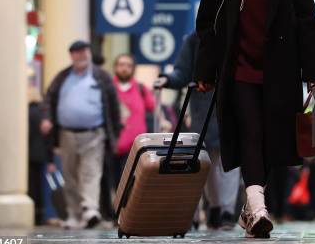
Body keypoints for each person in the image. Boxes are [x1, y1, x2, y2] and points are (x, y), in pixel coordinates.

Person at [194, 0, 315, 238]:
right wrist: (205, 71)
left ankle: (249, 210)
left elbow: (307, 19)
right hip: (238, 68)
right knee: (250, 130)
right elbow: (208, 22)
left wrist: (314, 73)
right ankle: (259, 205)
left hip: (280, 70)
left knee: (270, 138)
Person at [155, 31, 240, 230]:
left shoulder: (237, 36)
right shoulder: (194, 39)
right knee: (208, 163)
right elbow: (182, 72)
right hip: (204, 111)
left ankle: (226, 210)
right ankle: (216, 207)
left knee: (230, 162)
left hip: (233, 107)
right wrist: (167, 79)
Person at [42, 40, 121, 229]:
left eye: (84, 51)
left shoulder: (101, 77)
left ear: (89, 53)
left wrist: (114, 134)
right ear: (71, 56)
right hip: (67, 133)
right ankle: (74, 213)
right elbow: (49, 98)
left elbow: (113, 106)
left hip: (94, 133)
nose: (81, 55)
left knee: (91, 171)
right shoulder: (62, 77)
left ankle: (90, 209)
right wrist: (47, 118)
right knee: (70, 175)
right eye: (76, 52)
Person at [112, 53, 162, 185]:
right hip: (112, 146)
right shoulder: (108, 88)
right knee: (115, 184)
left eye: (128, 65)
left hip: (135, 148)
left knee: (133, 184)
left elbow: (154, 107)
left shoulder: (141, 88)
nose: (125, 68)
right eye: (121, 65)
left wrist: (163, 121)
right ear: (115, 67)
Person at [27, 86, 54, 225]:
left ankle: (30, 214)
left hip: (27, 154)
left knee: (30, 185)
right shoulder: (43, 114)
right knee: (40, 185)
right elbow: (48, 138)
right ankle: (40, 213)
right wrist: (50, 159)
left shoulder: (24, 113)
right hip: (41, 154)